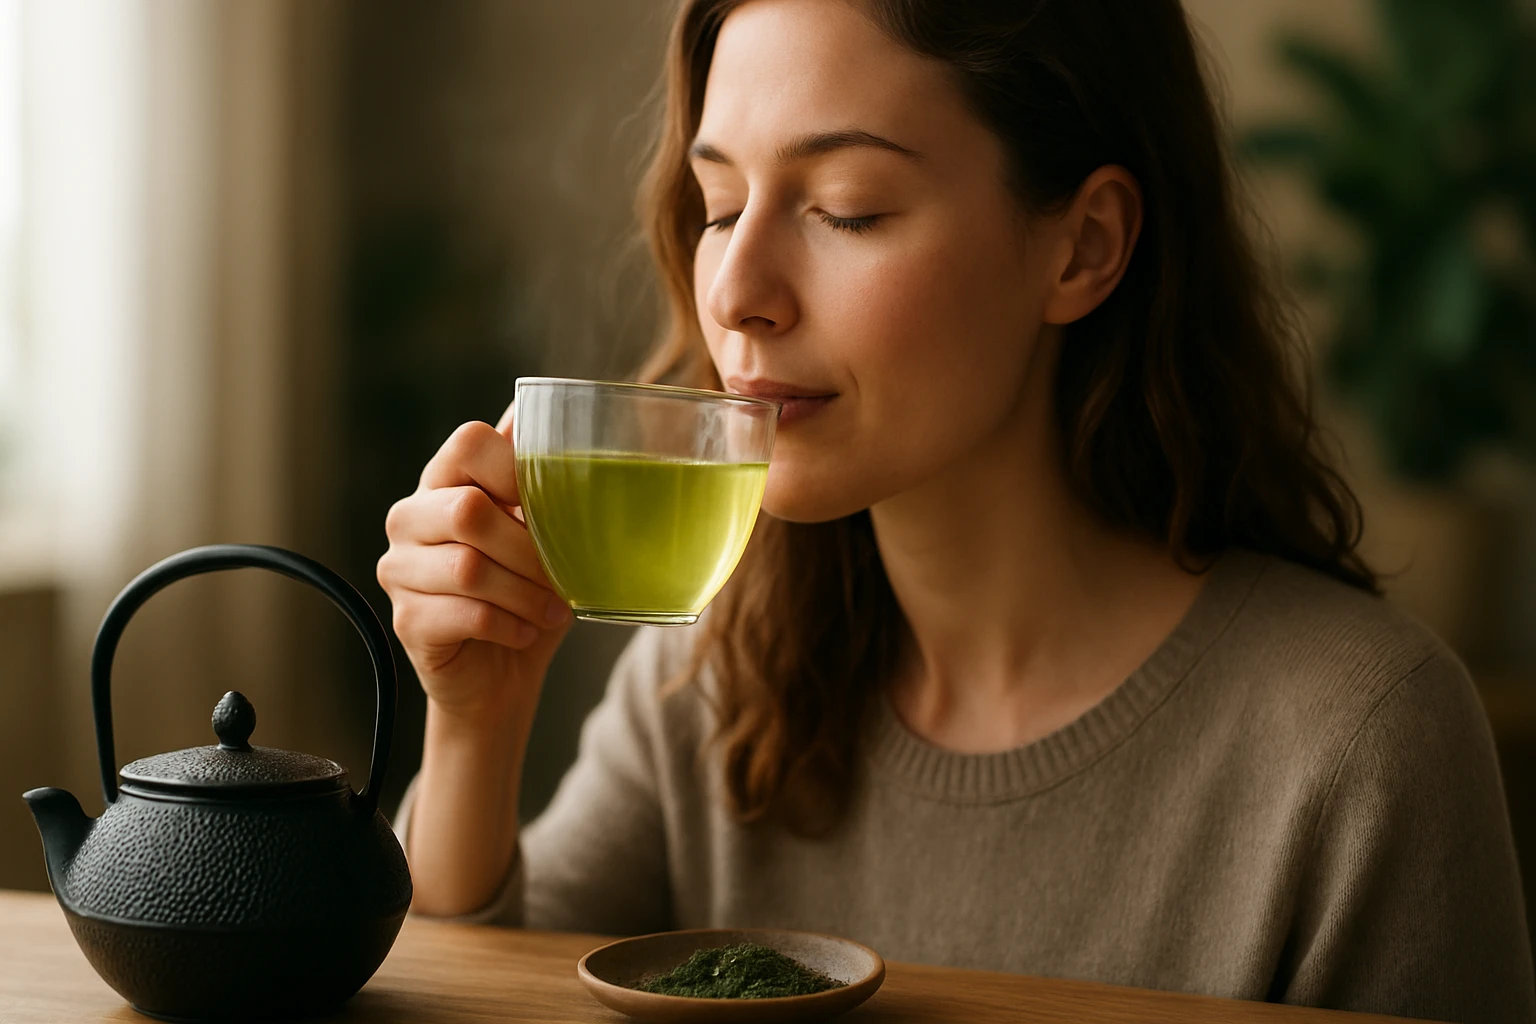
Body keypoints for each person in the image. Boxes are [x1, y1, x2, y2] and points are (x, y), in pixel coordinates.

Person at [375, 1, 1536, 1019]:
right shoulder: (714, 679)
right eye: (720, 205)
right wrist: (478, 716)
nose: (735, 293)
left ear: (1083, 248)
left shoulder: (1361, 742)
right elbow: (474, 986)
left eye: (846, 209)